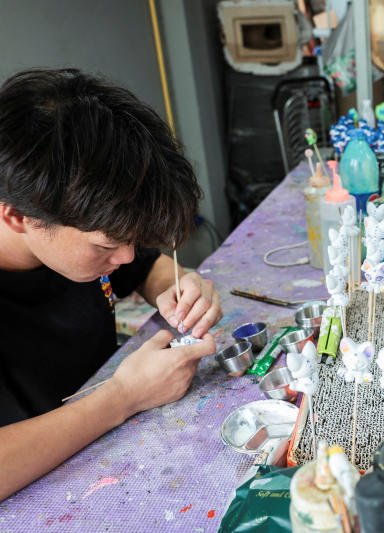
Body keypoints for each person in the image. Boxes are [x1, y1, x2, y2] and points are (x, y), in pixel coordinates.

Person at [0, 69, 224, 499]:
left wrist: (178, 285)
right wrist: (124, 397)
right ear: (17, 217)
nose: (123, 256)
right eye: (107, 245)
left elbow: (145, 267)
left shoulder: (74, 219)